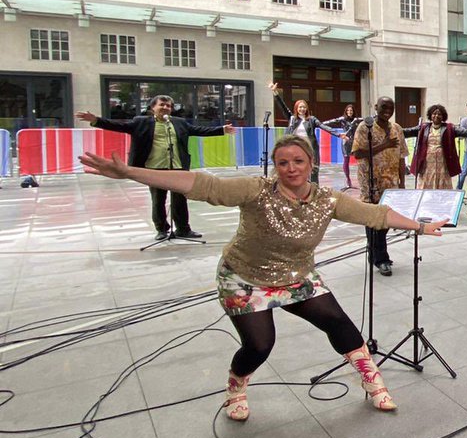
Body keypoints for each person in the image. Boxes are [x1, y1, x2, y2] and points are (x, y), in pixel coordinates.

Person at [78, 135, 446, 419]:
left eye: (298, 161)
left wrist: (420, 227)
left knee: (339, 322)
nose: (291, 168)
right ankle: (236, 387)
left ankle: (370, 379)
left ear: (312, 164)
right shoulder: (256, 191)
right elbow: (201, 184)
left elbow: (375, 215)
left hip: (296, 276)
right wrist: (130, 172)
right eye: (283, 162)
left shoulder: (327, 200)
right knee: (260, 344)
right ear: (275, 166)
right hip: (244, 277)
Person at [75, 97, 233, 240]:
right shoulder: (141, 122)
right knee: (158, 199)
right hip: (154, 168)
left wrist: (221, 130)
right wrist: (96, 120)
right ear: (153, 108)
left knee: (180, 199)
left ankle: (183, 229)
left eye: (169, 106)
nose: (165, 107)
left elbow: (198, 130)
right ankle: (162, 229)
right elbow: (118, 126)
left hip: (177, 167)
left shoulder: (178, 122)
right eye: (162, 105)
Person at [351, 97, 408, 276]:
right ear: (376, 107)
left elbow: (401, 157)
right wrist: (384, 145)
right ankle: (381, 258)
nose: (387, 110)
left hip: (390, 184)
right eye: (384, 107)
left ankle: (374, 251)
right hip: (370, 183)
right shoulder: (364, 127)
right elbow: (357, 152)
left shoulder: (397, 129)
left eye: (391, 107)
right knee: (373, 219)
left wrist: (402, 183)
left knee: (384, 221)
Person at [407, 104, 467, 190]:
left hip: (443, 166)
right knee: (426, 189)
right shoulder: (423, 127)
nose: (436, 116)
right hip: (426, 167)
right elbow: (408, 131)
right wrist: (396, 130)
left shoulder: (449, 128)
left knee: (442, 190)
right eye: (434, 113)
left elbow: (465, 132)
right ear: (430, 115)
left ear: (443, 116)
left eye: (439, 114)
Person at [270, 83, 336, 184]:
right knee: (295, 170)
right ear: (296, 108)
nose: (302, 109)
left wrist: (338, 134)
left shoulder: (311, 120)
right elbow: (282, 106)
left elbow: (323, 126)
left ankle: (314, 192)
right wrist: (275, 92)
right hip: (295, 149)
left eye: (304, 107)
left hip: (309, 149)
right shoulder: (292, 119)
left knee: (313, 171)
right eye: (300, 107)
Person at [324, 103, 361, 190]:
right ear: (345, 111)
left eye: (351, 110)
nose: (349, 112)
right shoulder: (342, 119)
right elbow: (330, 122)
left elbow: (367, 119)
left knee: (360, 159)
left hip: (355, 141)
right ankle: (348, 180)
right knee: (346, 160)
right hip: (346, 141)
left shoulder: (356, 120)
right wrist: (318, 124)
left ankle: (361, 179)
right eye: (348, 110)